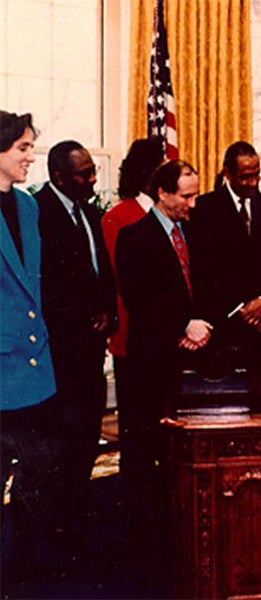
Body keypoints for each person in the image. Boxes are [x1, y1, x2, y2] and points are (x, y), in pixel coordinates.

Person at [115, 159, 213, 544]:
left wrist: (200, 325)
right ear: (163, 192)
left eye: (196, 195)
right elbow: (141, 301)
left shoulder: (194, 232)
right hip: (151, 361)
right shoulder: (133, 237)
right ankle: (145, 538)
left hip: (191, 358)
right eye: (186, 196)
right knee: (146, 449)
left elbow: (203, 286)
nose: (193, 204)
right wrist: (181, 327)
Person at [34, 139, 116, 545]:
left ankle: (79, 512)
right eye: (84, 173)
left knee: (87, 431)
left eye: (92, 171)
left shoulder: (88, 210)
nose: (92, 178)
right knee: (61, 440)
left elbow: (100, 268)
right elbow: (45, 283)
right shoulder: (39, 213)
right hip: (61, 350)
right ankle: (58, 525)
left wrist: (105, 310)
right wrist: (81, 318)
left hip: (91, 348)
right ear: (59, 176)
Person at [0, 111, 59, 584]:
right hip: (1, 369)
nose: (30, 156)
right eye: (22, 147)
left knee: (38, 478)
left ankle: (19, 576)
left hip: (35, 369)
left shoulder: (28, 205)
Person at [191, 141, 261, 382]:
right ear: (227, 172)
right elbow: (201, 267)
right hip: (221, 322)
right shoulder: (203, 208)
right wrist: (240, 309)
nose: (252, 182)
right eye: (245, 177)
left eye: (257, 175)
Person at [101, 137, 164, 484]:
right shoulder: (119, 216)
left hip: (167, 338)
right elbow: (115, 279)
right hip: (131, 335)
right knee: (135, 427)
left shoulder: (170, 213)